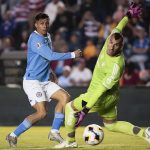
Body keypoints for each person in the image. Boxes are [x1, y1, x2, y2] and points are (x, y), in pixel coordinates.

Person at [54, 3, 150, 148]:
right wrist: (128, 15)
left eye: (116, 45)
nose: (111, 46)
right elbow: (120, 27)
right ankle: (146, 133)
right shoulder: (111, 39)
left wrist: (85, 111)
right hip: (112, 97)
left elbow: (100, 91)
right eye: (111, 42)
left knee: (69, 108)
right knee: (111, 125)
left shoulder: (116, 65)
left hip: (100, 96)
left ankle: (70, 142)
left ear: (121, 47)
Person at [6, 12, 82, 147]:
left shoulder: (47, 36)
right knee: (41, 113)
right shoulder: (35, 39)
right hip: (32, 82)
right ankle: (12, 135)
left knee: (65, 97)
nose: (45, 26)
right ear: (36, 25)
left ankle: (54, 132)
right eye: (42, 23)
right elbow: (50, 55)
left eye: (47, 23)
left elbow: (44, 58)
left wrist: (51, 71)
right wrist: (72, 54)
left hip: (45, 79)